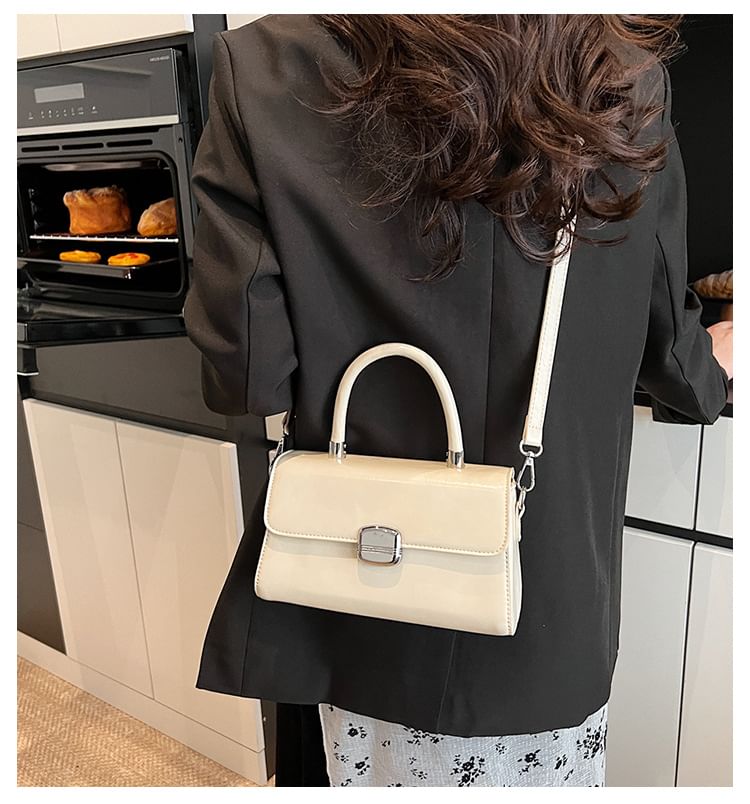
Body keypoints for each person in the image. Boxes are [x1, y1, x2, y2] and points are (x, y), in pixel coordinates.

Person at [183, 14, 732, 787]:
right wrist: (716, 362)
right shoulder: (619, 70)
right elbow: (667, 341)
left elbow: (247, 375)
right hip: (545, 606)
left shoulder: (266, 64)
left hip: (363, 587)